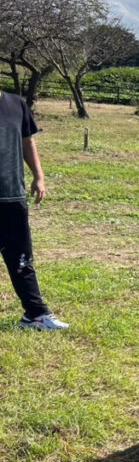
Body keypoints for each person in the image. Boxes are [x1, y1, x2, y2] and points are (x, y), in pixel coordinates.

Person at [1, 91, 67, 331]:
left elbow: (28, 141)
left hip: (12, 195)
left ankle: (36, 314)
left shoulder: (16, 104)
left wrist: (39, 177)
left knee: (21, 258)